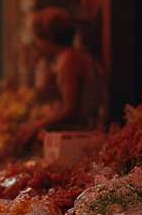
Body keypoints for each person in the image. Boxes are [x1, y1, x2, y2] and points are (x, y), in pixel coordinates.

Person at [20, 7, 107, 141]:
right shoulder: (71, 56)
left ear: (46, 38)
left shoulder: (70, 60)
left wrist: (37, 126)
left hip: (85, 134)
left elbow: (70, 111)